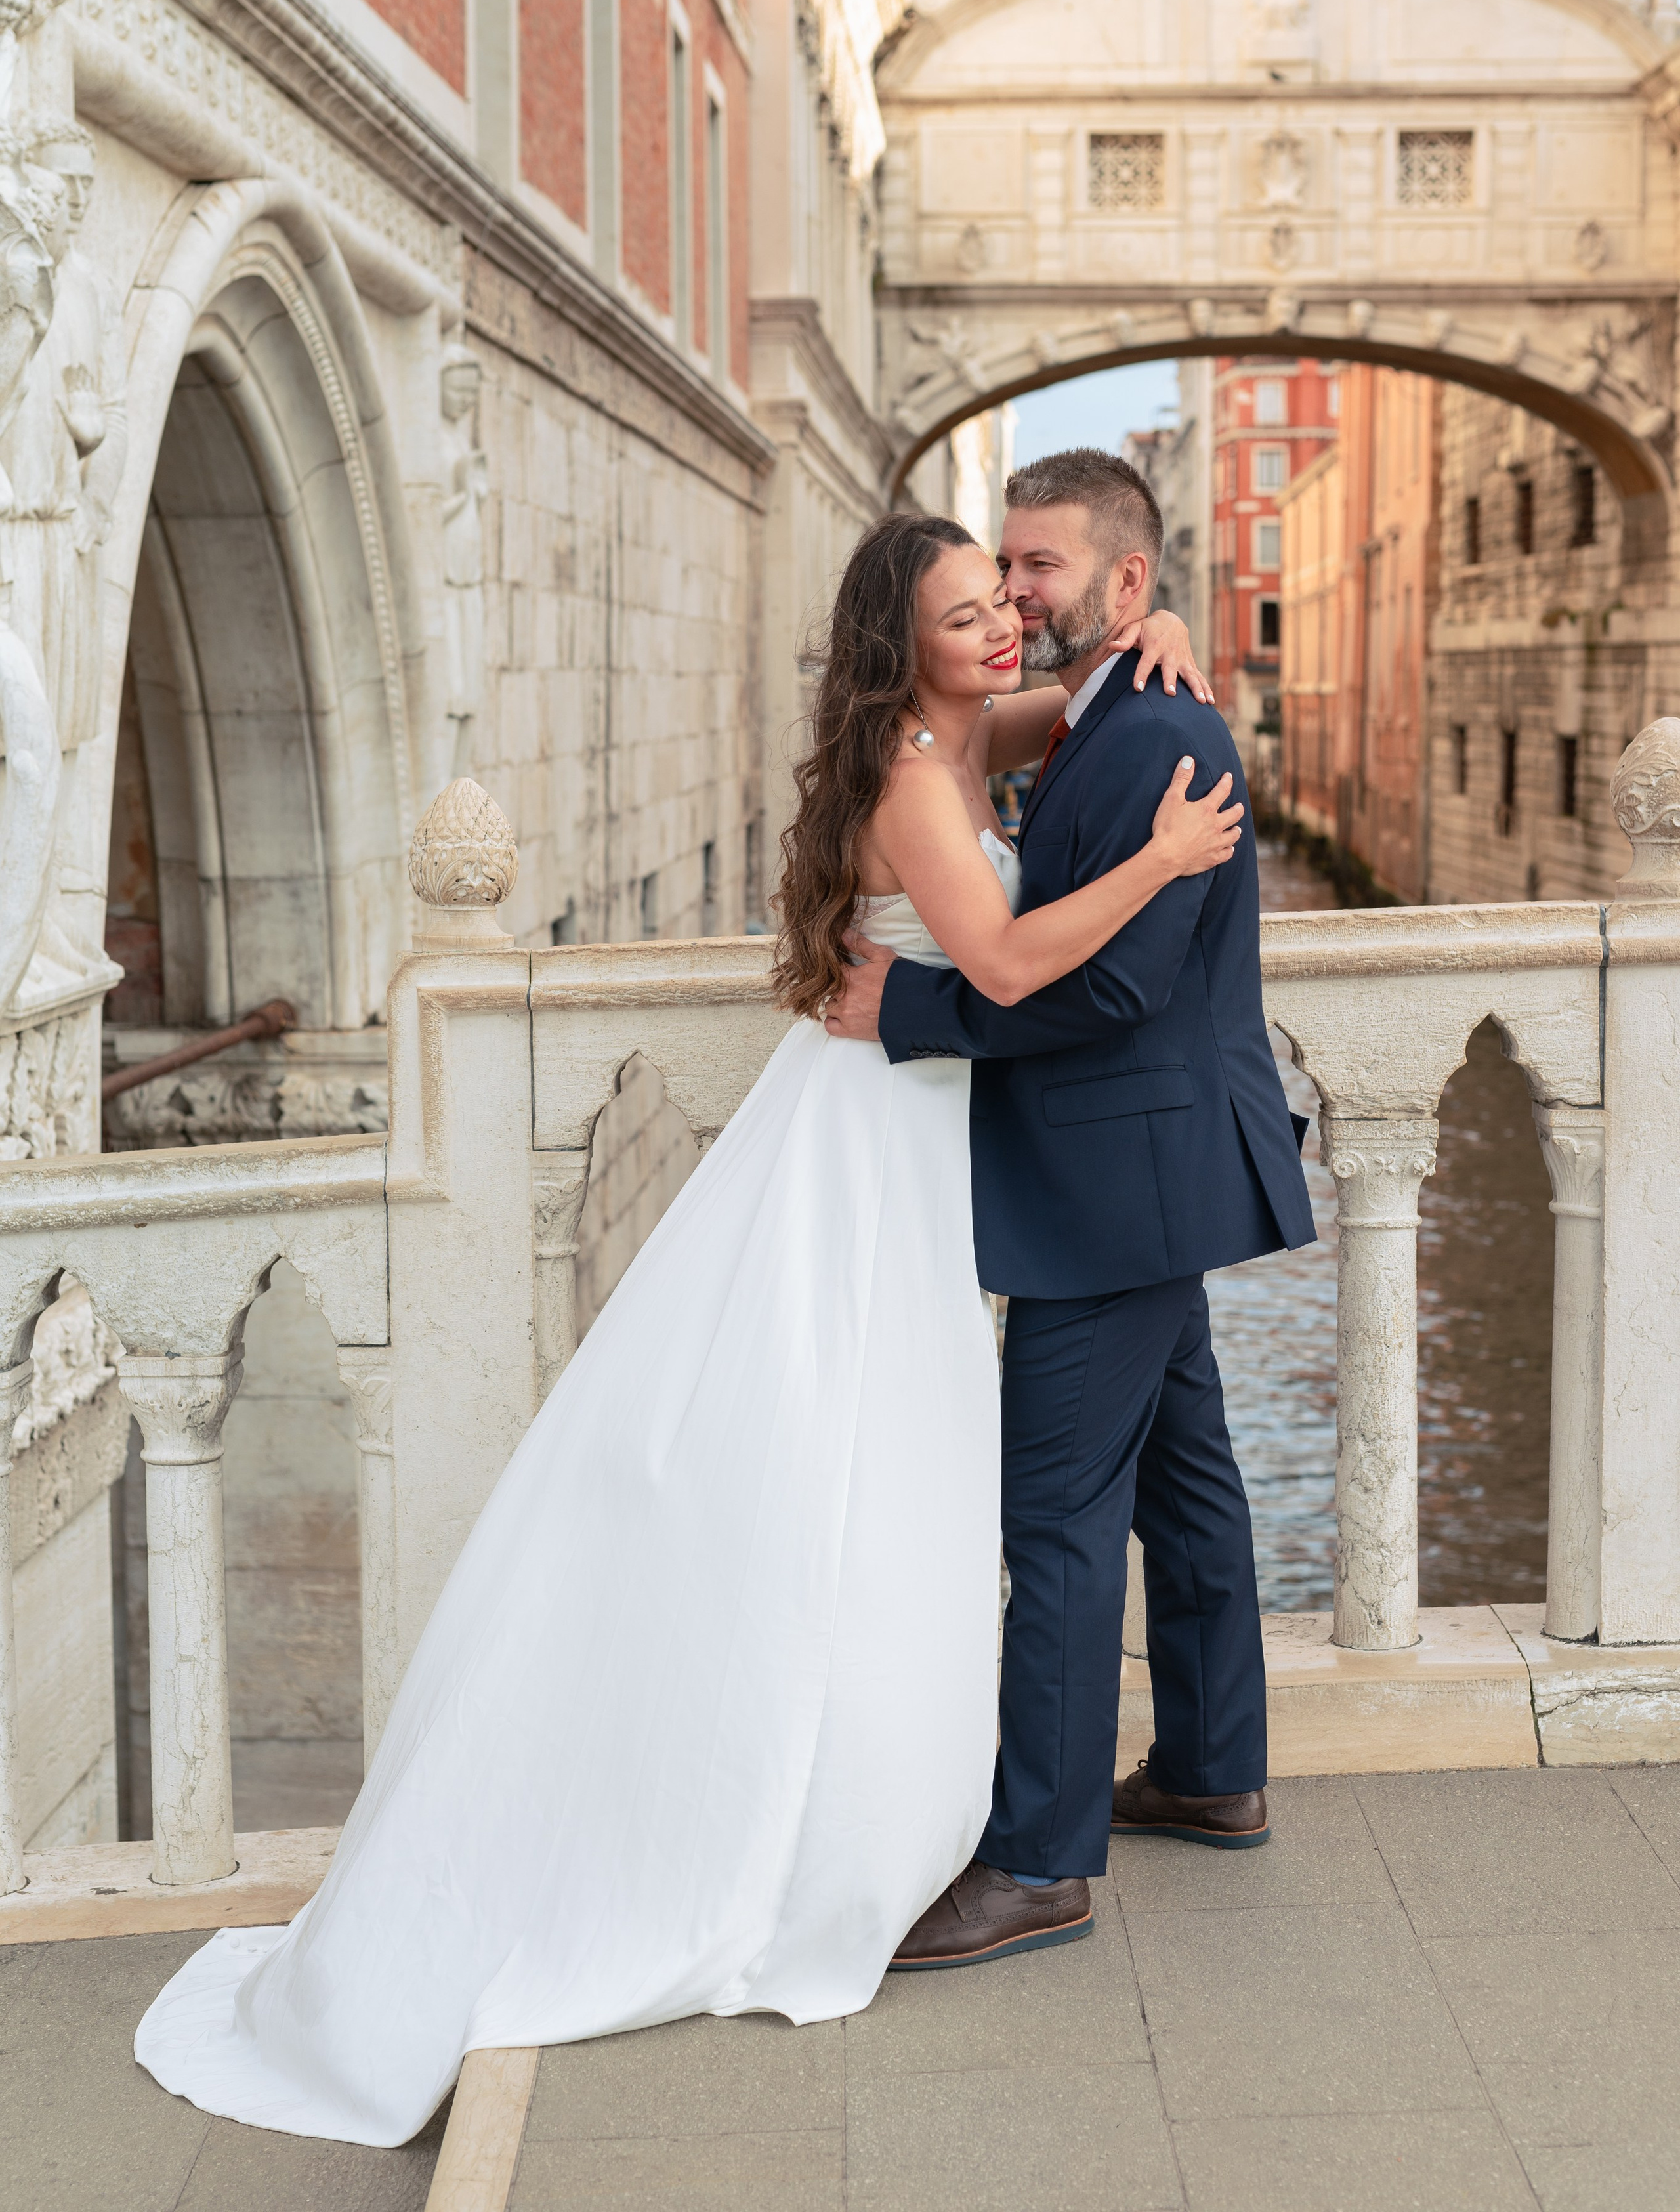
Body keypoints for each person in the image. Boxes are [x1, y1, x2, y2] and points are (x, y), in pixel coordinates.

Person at [134, 511, 1239, 2147]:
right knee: (851, 1457)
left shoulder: (941, 730)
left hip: (899, 1136)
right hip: (875, 1151)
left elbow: (1060, 700)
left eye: (1002, 599)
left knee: (903, 1462)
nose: (1001, 622)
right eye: (963, 610)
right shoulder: (918, 785)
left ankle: (945, 1782)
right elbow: (998, 963)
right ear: (906, 643)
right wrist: (1155, 861)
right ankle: (823, 1808)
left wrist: (1155, 647)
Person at [826, 449, 1315, 1974]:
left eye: (1035, 570)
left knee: (1050, 1524)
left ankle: (1036, 1858)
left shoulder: (1153, 733)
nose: (1015, 595)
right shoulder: (1106, 707)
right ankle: (1211, 1766)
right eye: (997, 573)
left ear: (1121, 581)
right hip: (1143, 1171)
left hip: (1111, 1178)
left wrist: (906, 1004)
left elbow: (1106, 982)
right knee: (1185, 1485)